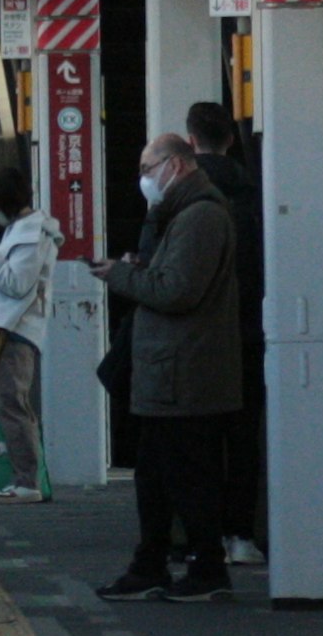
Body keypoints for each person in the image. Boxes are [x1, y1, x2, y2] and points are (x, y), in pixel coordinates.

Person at [96, 132, 247, 600]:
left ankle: (203, 569)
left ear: (176, 165)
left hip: (186, 373)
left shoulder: (200, 216)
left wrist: (121, 276)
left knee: (188, 476)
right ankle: (154, 563)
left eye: (148, 168)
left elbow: (177, 290)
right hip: (172, 371)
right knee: (158, 475)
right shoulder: (180, 215)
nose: (143, 179)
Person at [185, 102, 267, 567]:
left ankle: (201, 538)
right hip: (249, 332)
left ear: (190, 140)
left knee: (196, 439)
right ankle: (240, 533)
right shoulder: (253, 191)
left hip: (197, 335)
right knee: (242, 436)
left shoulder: (182, 197)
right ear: (232, 139)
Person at [0, 163, 58, 501]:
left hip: (16, 330)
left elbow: (17, 284)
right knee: (8, 403)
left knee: (11, 403)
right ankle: (24, 479)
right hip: (8, 328)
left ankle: (27, 482)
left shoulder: (31, 235)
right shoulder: (22, 230)